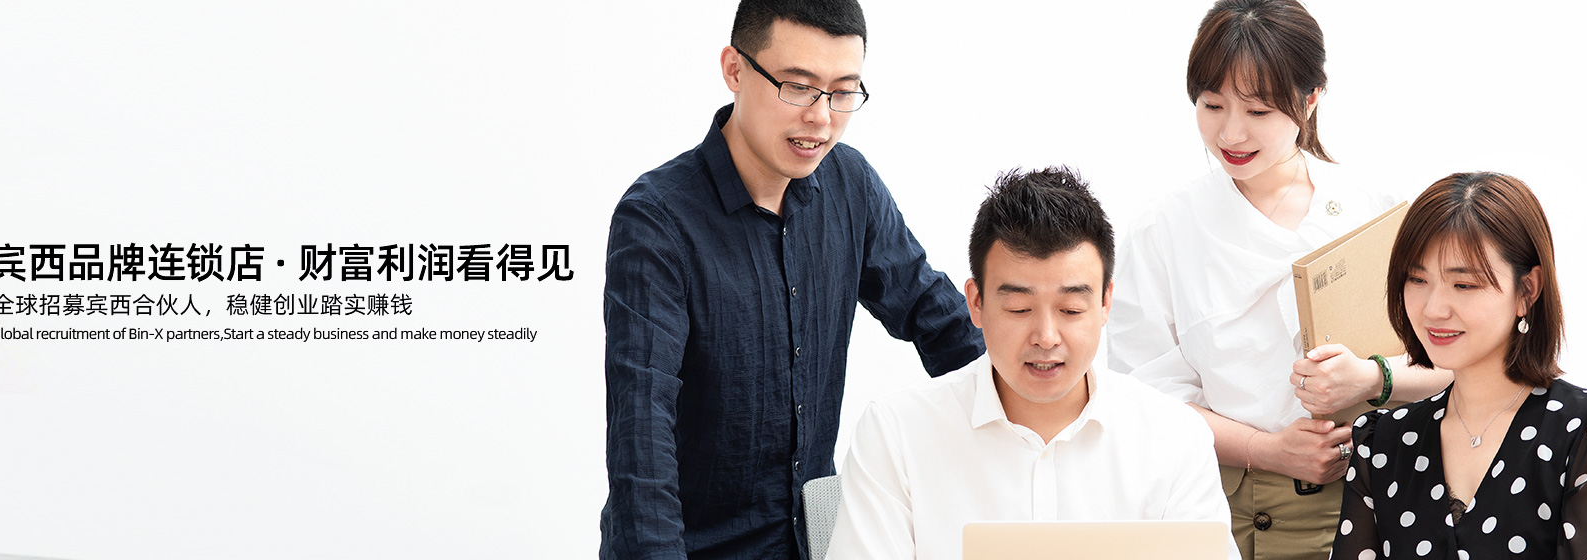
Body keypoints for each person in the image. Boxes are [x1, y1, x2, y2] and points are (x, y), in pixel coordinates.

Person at [598, 1, 986, 558]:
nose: (821, 118)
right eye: (798, 87)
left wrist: (1040, 414)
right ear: (735, 69)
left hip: (820, 544)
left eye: (843, 92)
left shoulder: (851, 185)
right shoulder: (658, 220)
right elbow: (642, 437)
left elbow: (939, 319)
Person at [1106, 1, 1453, 557]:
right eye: (1211, 105)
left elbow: (1452, 363)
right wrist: (1267, 450)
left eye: (1259, 111)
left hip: (1372, 494)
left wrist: (1371, 377)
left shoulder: (1374, 209)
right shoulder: (1163, 228)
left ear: (1310, 100)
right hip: (1223, 503)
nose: (1231, 132)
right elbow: (1145, 398)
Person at [826, 167, 1235, 560]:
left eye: (1071, 310)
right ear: (976, 303)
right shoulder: (896, 434)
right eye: (1020, 309)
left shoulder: (1174, 438)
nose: (1046, 336)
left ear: (1105, 303)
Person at [1333, 172, 1587, 559]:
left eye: (1463, 285)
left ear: (1527, 290)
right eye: (1417, 279)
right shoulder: (1383, 441)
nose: (1433, 309)